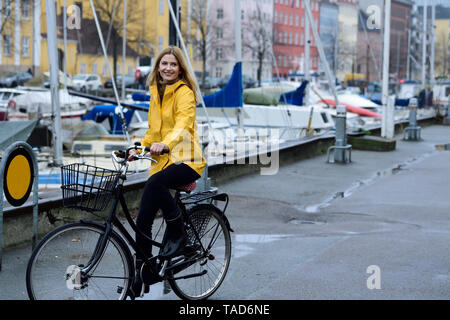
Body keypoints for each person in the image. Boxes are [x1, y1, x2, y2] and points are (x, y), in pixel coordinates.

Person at [128, 46, 206, 297]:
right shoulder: (156, 92)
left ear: (180, 68)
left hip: (187, 160)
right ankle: (143, 272)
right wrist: (137, 148)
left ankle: (177, 231)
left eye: (173, 64)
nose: (168, 68)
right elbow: (153, 132)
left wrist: (167, 144)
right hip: (162, 162)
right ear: (157, 67)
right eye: (164, 64)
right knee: (143, 221)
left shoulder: (184, 92)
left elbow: (183, 125)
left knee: (154, 185)